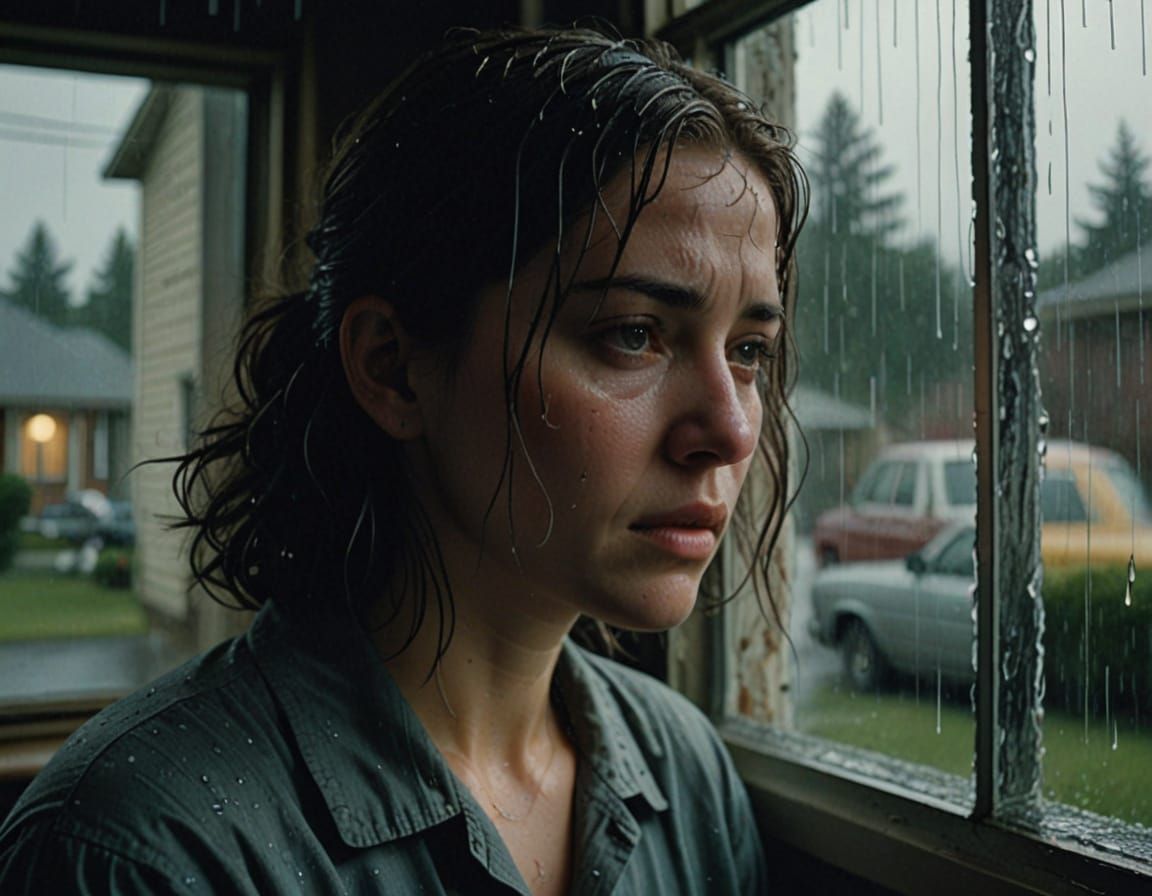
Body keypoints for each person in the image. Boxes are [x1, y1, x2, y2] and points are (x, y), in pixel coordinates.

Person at [0, 25, 806, 894]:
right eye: (634, 335)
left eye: (750, 351)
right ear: (392, 367)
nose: (727, 430)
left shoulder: (686, 776)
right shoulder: (141, 850)